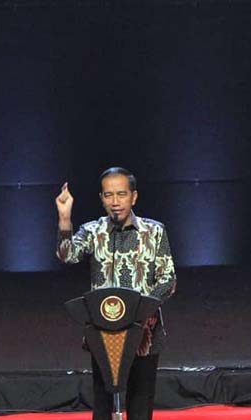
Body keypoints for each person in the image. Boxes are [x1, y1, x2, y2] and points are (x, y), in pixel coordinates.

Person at [55, 167, 176, 420]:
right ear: (101, 199)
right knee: (103, 404)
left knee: (140, 404)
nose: (115, 201)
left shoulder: (154, 231)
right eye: (108, 195)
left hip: (143, 333)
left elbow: (168, 280)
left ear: (134, 196)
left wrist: (141, 313)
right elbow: (67, 255)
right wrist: (65, 219)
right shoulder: (93, 231)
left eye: (121, 194)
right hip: (104, 332)